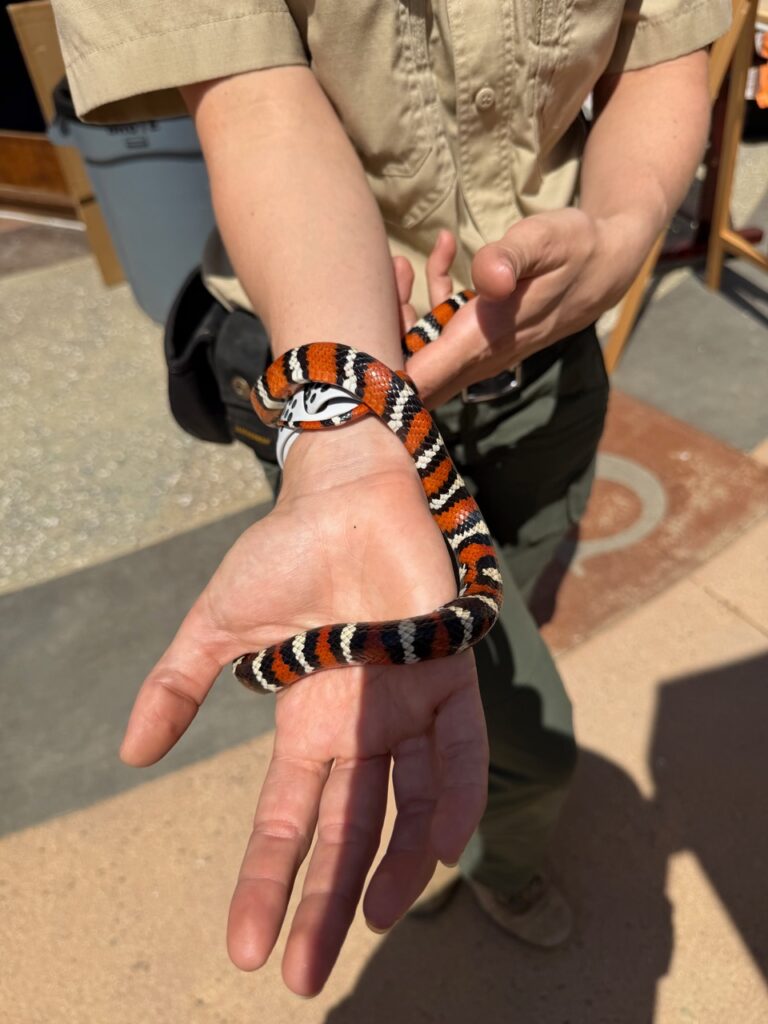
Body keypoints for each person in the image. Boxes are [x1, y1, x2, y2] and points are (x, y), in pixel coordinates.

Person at [51, 0, 730, 998]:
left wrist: (622, 234)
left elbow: (670, 54)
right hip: (337, 367)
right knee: (530, 734)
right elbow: (254, 103)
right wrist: (345, 446)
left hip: (542, 359)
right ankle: (503, 856)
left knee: (516, 581)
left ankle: (485, 812)